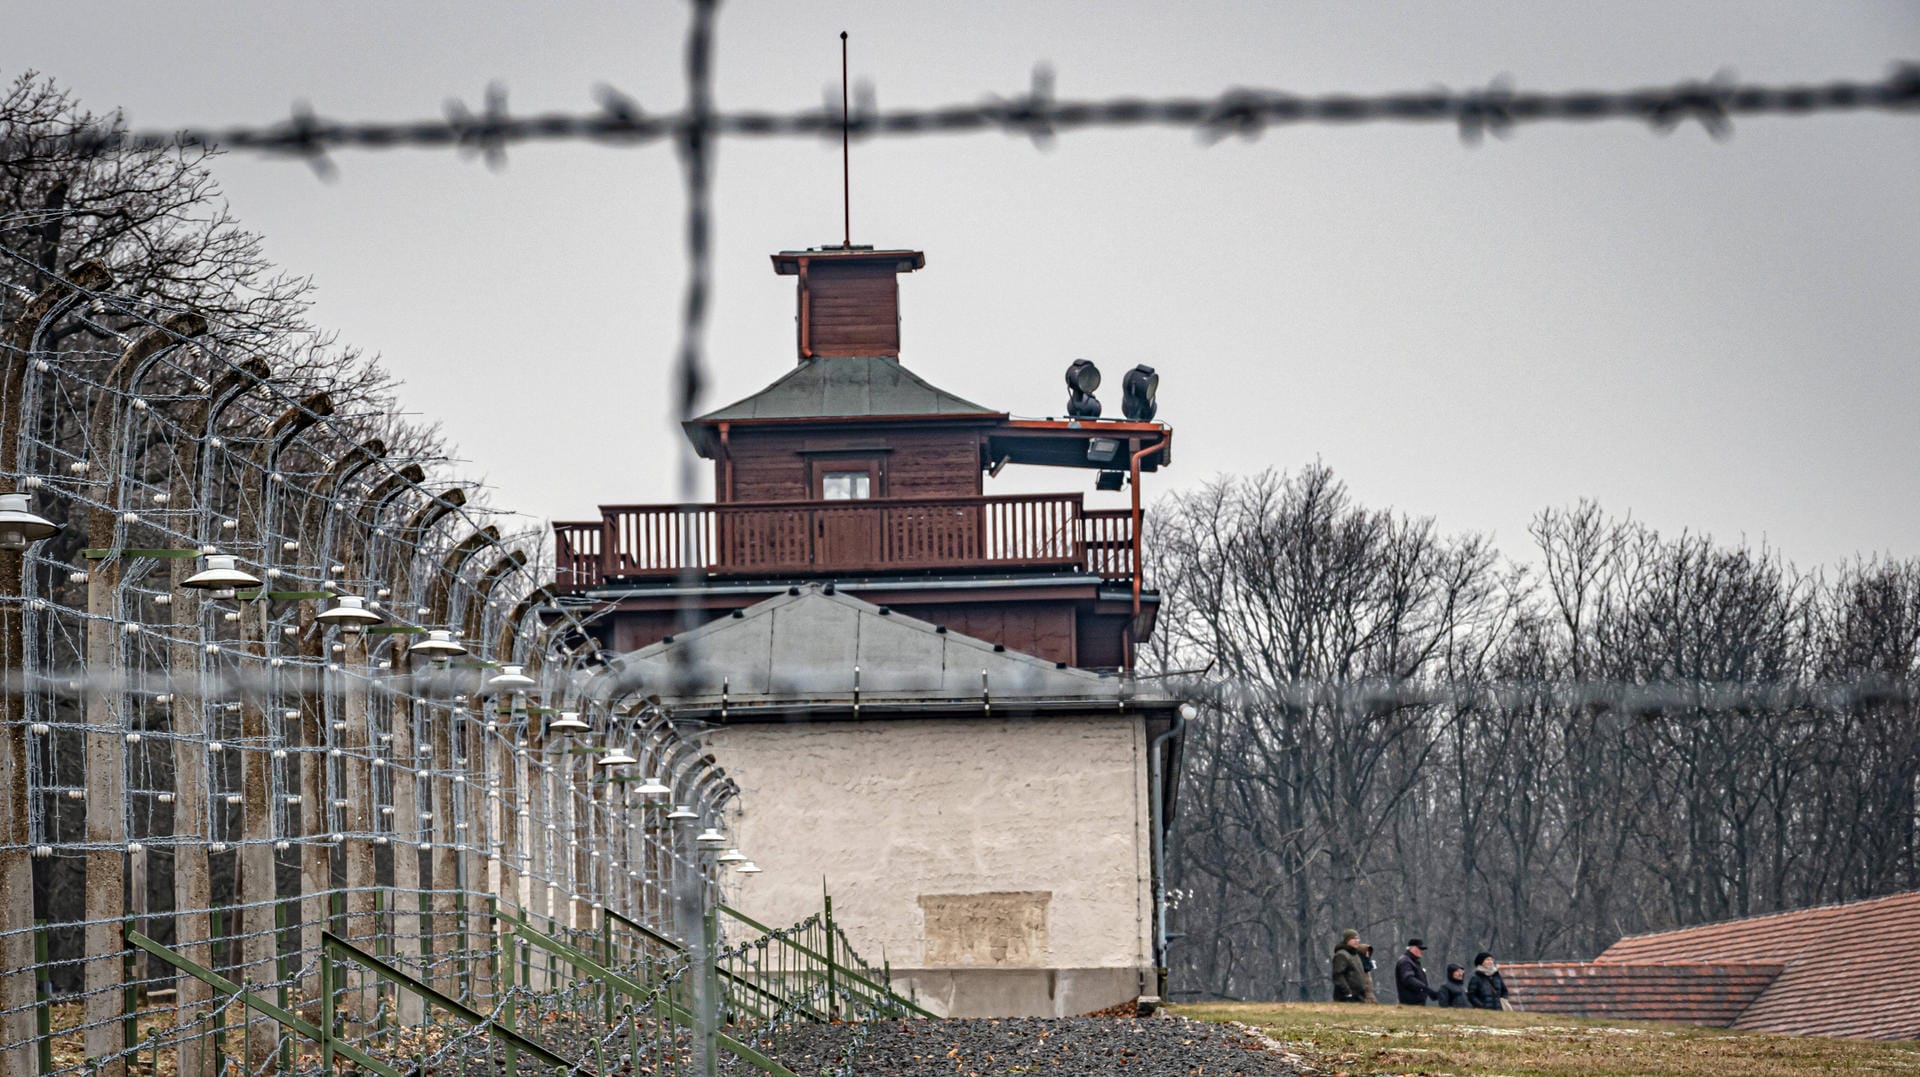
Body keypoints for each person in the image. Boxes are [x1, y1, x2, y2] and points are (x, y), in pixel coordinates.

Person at [1395, 938, 1441, 1006]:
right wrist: (1426, 989)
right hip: (1410, 1003)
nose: (1421, 951)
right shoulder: (1405, 962)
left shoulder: (1412, 962)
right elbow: (1408, 979)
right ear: (1412, 948)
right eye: (1419, 949)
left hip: (1416, 1002)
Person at [1330, 929, 1371, 1003]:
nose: (1356, 941)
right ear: (1347, 940)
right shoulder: (1341, 955)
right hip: (1346, 998)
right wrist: (1348, 994)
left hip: (1359, 997)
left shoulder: (1355, 955)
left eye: (1358, 938)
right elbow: (1338, 976)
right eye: (1353, 938)